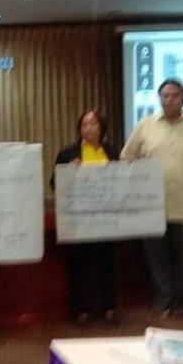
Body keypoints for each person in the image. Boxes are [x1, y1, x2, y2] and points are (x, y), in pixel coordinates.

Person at [121, 78, 183, 315]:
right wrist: (131, 163)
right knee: (157, 259)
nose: (169, 100)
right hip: (153, 207)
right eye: (165, 96)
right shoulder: (146, 125)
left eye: (175, 95)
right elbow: (127, 156)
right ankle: (163, 300)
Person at [53, 109, 119, 324]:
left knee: (107, 265)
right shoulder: (68, 153)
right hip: (79, 220)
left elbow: (124, 182)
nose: (88, 128)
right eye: (84, 124)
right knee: (80, 266)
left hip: (107, 219)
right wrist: (69, 172)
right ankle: (81, 310)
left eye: (93, 124)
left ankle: (109, 308)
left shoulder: (112, 151)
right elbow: (54, 183)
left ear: (102, 128)